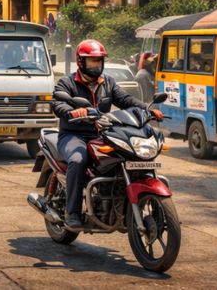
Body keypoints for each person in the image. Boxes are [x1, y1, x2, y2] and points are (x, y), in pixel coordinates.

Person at [51, 40, 163, 230]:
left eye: (99, 61)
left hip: (102, 133)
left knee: (125, 156)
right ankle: (73, 212)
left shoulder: (108, 82)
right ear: (81, 62)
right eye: (92, 61)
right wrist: (72, 112)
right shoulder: (67, 83)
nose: (97, 66)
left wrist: (147, 109)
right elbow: (58, 103)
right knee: (78, 160)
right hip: (74, 135)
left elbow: (125, 99)